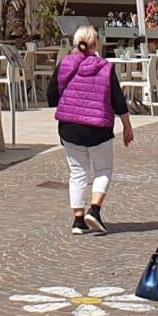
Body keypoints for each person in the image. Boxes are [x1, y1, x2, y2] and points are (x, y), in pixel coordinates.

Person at [55, 24, 136, 235]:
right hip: (98, 128)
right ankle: (95, 209)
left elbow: (51, 95)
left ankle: (78, 220)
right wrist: (127, 126)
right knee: (103, 170)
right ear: (96, 44)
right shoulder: (105, 67)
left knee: (77, 173)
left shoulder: (64, 64)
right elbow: (118, 100)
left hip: (70, 127)